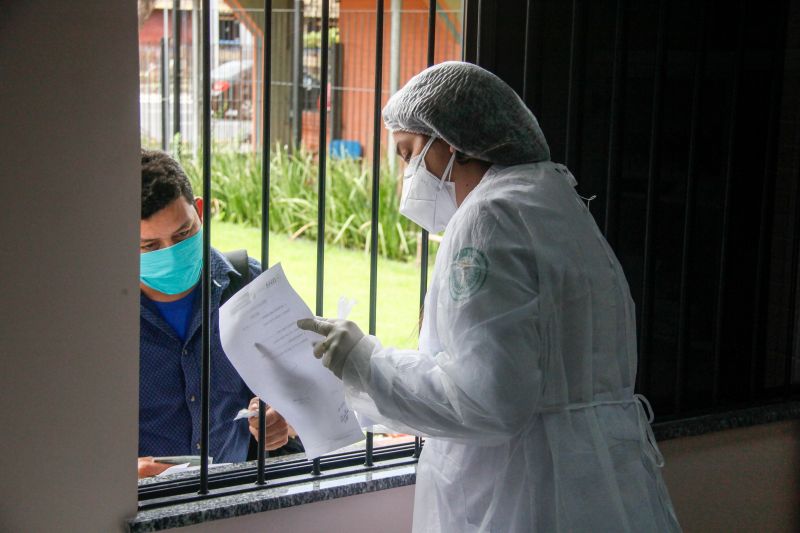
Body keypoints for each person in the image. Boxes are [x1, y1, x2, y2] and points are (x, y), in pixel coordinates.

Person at [297, 62, 681, 532]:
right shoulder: (554, 200)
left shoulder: (488, 217)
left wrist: (365, 364)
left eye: (409, 153)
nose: (407, 173)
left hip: (523, 493)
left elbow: (487, 400)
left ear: (449, 141)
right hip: (600, 479)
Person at [138, 150, 291, 478]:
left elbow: (308, 380)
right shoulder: (93, 316)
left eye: (182, 234)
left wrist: (286, 416)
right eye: (149, 247)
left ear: (201, 212)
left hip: (230, 502)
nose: (170, 254)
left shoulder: (251, 285)